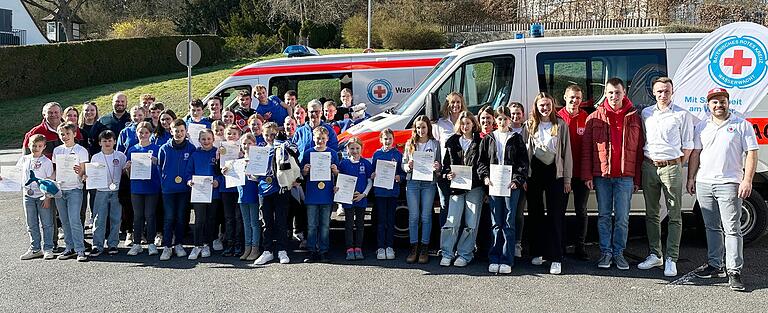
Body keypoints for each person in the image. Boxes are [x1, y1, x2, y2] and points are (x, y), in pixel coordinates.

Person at [688, 88, 756, 292]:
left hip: (730, 183)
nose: (718, 105)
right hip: (704, 183)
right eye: (714, 102)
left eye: (722, 101)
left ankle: (734, 271)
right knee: (711, 227)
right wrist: (691, 178)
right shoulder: (701, 126)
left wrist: (747, 180)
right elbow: (695, 154)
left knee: (732, 229)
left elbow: (752, 153)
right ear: (708, 105)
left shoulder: (742, 125)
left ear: (728, 103)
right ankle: (715, 265)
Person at [582, 77, 644, 271]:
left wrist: (637, 178)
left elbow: (640, 149)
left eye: (617, 92)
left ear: (624, 93)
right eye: (610, 92)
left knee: (623, 218)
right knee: (604, 216)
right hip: (602, 176)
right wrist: (587, 176)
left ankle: (619, 253)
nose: (614, 96)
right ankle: (606, 252)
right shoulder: (594, 117)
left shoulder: (634, 116)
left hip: (625, 176)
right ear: (605, 94)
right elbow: (586, 150)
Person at [637, 77, 693, 277]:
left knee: (674, 214)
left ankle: (671, 258)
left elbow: (688, 144)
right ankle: (655, 254)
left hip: (671, 167)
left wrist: (676, 164)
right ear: (653, 92)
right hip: (649, 165)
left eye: (666, 91)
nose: (663, 95)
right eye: (659, 91)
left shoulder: (681, 114)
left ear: (672, 92)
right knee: (651, 213)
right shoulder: (646, 113)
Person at [525, 92, 573, 275]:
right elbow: (525, 153)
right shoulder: (529, 126)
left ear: (553, 106)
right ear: (536, 107)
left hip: (555, 173)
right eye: (541, 105)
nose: (544, 108)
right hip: (535, 173)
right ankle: (537, 252)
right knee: (536, 213)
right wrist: (524, 178)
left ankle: (556, 257)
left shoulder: (561, 125)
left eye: (547, 105)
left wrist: (567, 179)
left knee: (555, 215)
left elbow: (566, 154)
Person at [478, 106, 528, 274]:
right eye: (499, 119)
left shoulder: (516, 138)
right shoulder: (489, 139)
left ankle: (507, 259)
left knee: (508, 221)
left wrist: (517, 180)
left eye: (505, 119)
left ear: (509, 120)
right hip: (494, 185)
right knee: (495, 223)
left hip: (510, 186)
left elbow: (523, 163)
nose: (502, 122)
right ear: (495, 120)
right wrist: (485, 177)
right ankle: (494, 257)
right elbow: (482, 162)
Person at [439, 111, 484, 267]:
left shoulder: (480, 141)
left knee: (471, 223)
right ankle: (447, 252)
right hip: (456, 187)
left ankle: (465, 254)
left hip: (475, 187)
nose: (465, 126)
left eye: (468, 123)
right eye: (462, 123)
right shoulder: (452, 141)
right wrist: (447, 175)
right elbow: (445, 166)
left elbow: (483, 165)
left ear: (473, 124)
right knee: (452, 220)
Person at [557, 85, 591, 261]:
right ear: (564, 97)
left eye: (578, 97)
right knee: (560, 211)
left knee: (581, 210)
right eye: (571, 97)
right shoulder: (557, 118)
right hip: (562, 174)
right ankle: (560, 245)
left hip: (580, 173)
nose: (574, 101)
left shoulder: (587, 118)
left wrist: (588, 174)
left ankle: (580, 246)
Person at [402, 116, 441, 264]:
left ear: (428, 128)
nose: (421, 130)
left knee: (426, 216)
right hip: (412, 182)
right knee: (414, 216)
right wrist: (408, 166)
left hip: (428, 183)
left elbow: (439, 165)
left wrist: (438, 168)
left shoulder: (434, 144)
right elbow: (403, 164)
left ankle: (424, 247)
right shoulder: (410, 144)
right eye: (418, 127)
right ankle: (414, 247)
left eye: (423, 127)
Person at [253, 122, 293, 265]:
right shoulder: (259, 151)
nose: (269, 137)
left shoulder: (283, 147)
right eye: (266, 135)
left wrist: (283, 143)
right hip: (264, 190)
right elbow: (254, 175)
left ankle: (282, 250)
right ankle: (267, 251)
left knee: (281, 221)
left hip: (280, 189)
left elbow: (295, 158)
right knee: (266, 222)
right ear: (262, 135)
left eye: (272, 134)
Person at [158, 119, 196, 261]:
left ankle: (178, 244)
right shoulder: (164, 149)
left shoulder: (191, 149)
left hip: (184, 189)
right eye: (176, 131)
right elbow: (159, 168)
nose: (179, 133)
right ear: (171, 131)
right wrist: (164, 183)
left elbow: (193, 167)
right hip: (168, 190)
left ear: (185, 132)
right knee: (169, 217)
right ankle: (167, 246)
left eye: (181, 131)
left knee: (181, 217)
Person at [300, 126, 339, 263]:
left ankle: (323, 251)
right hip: (312, 193)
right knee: (311, 225)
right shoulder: (308, 153)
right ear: (313, 138)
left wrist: (335, 171)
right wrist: (305, 171)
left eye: (323, 138)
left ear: (327, 139)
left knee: (325, 224)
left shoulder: (332, 153)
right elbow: (302, 174)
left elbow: (338, 175)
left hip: (326, 193)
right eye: (318, 138)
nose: (320, 141)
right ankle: (311, 250)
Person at [52, 122, 89, 262]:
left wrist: (81, 172)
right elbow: (56, 171)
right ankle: (69, 248)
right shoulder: (57, 151)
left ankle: (80, 250)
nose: (65, 136)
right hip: (60, 190)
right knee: (65, 221)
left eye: (67, 133)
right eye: (62, 134)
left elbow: (84, 171)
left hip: (75, 189)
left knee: (74, 220)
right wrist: (48, 181)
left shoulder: (81, 150)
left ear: (74, 134)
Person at [15, 134, 55, 260]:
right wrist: (4, 178)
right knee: (31, 223)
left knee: (47, 223)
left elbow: (50, 181)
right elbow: (15, 175)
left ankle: (48, 248)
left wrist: (48, 197)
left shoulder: (46, 162)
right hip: (28, 195)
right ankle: (35, 248)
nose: (36, 148)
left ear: (44, 147)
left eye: (39, 146)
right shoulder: (24, 159)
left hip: (42, 196)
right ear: (29, 145)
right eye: (33, 145)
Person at [125, 122, 161, 256]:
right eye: (141, 132)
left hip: (152, 187)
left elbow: (161, 169)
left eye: (146, 132)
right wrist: (128, 167)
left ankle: (151, 243)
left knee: (150, 215)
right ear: (137, 133)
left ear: (150, 134)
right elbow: (129, 175)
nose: (143, 135)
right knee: (138, 216)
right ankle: (137, 243)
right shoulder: (132, 149)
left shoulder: (156, 148)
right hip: (136, 187)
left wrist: (155, 161)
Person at [89, 130, 127, 257]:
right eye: (104, 141)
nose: (107, 143)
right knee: (99, 219)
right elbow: (92, 174)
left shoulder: (121, 156)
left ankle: (113, 244)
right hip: (101, 191)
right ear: (100, 143)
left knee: (116, 218)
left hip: (116, 191)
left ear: (115, 141)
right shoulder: (96, 157)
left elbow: (124, 173)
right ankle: (97, 245)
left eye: (110, 140)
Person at [432, 92, 468, 229]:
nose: (455, 105)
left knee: (462, 207)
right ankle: (445, 243)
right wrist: (436, 167)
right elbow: (435, 146)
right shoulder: (440, 124)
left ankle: (460, 242)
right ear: (447, 104)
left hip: (463, 171)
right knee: (445, 205)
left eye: (458, 102)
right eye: (452, 102)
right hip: (444, 171)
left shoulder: (466, 121)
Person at [185, 129, 221, 260]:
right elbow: (188, 172)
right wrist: (189, 181)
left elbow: (222, 171)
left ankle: (207, 245)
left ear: (213, 139)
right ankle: (197, 245)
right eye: (203, 139)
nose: (206, 141)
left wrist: (218, 181)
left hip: (214, 193)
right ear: (199, 140)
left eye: (209, 139)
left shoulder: (218, 153)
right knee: (199, 220)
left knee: (211, 220)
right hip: (199, 193)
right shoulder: (195, 155)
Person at [337, 137, 373, 261]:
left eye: (357, 148)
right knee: (348, 224)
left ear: (361, 149)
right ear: (347, 149)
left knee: (360, 224)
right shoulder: (344, 164)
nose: (355, 151)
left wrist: (364, 194)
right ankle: (349, 248)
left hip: (361, 199)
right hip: (348, 199)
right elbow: (340, 180)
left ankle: (358, 248)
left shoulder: (366, 163)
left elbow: (369, 181)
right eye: (352, 148)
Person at [371, 128, 404, 260]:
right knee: (381, 221)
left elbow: (403, 173)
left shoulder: (397, 154)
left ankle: (389, 246)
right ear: (381, 140)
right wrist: (373, 175)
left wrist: (399, 178)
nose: (388, 141)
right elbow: (372, 171)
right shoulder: (377, 154)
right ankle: (380, 247)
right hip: (380, 192)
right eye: (385, 139)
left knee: (390, 221)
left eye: (390, 139)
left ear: (393, 140)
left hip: (392, 192)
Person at [235, 133, 261, 261]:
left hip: (254, 195)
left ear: (254, 144)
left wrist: (252, 175)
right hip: (242, 196)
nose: (246, 146)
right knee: (246, 223)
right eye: (244, 143)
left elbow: (261, 178)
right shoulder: (237, 161)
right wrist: (226, 171)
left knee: (254, 223)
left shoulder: (258, 160)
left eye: (249, 143)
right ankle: (247, 247)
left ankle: (255, 248)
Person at [220, 125, 244, 257]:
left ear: (238, 135)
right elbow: (216, 170)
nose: (231, 136)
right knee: (229, 218)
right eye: (229, 133)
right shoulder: (221, 151)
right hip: (226, 188)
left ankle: (239, 244)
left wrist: (241, 157)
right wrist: (221, 169)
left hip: (239, 188)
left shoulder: (243, 151)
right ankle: (230, 244)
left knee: (238, 218)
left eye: (234, 134)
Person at [508, 101, 528, 259]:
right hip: (505, 180)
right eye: (512, 113)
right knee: (507, 213)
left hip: (521, 179)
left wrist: (524, 179)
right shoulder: (502, 131)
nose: (515, 116)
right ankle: (507, 242)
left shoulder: (527, 130)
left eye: (518, 113)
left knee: (519, 214)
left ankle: (517, 243)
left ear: (523, 115)